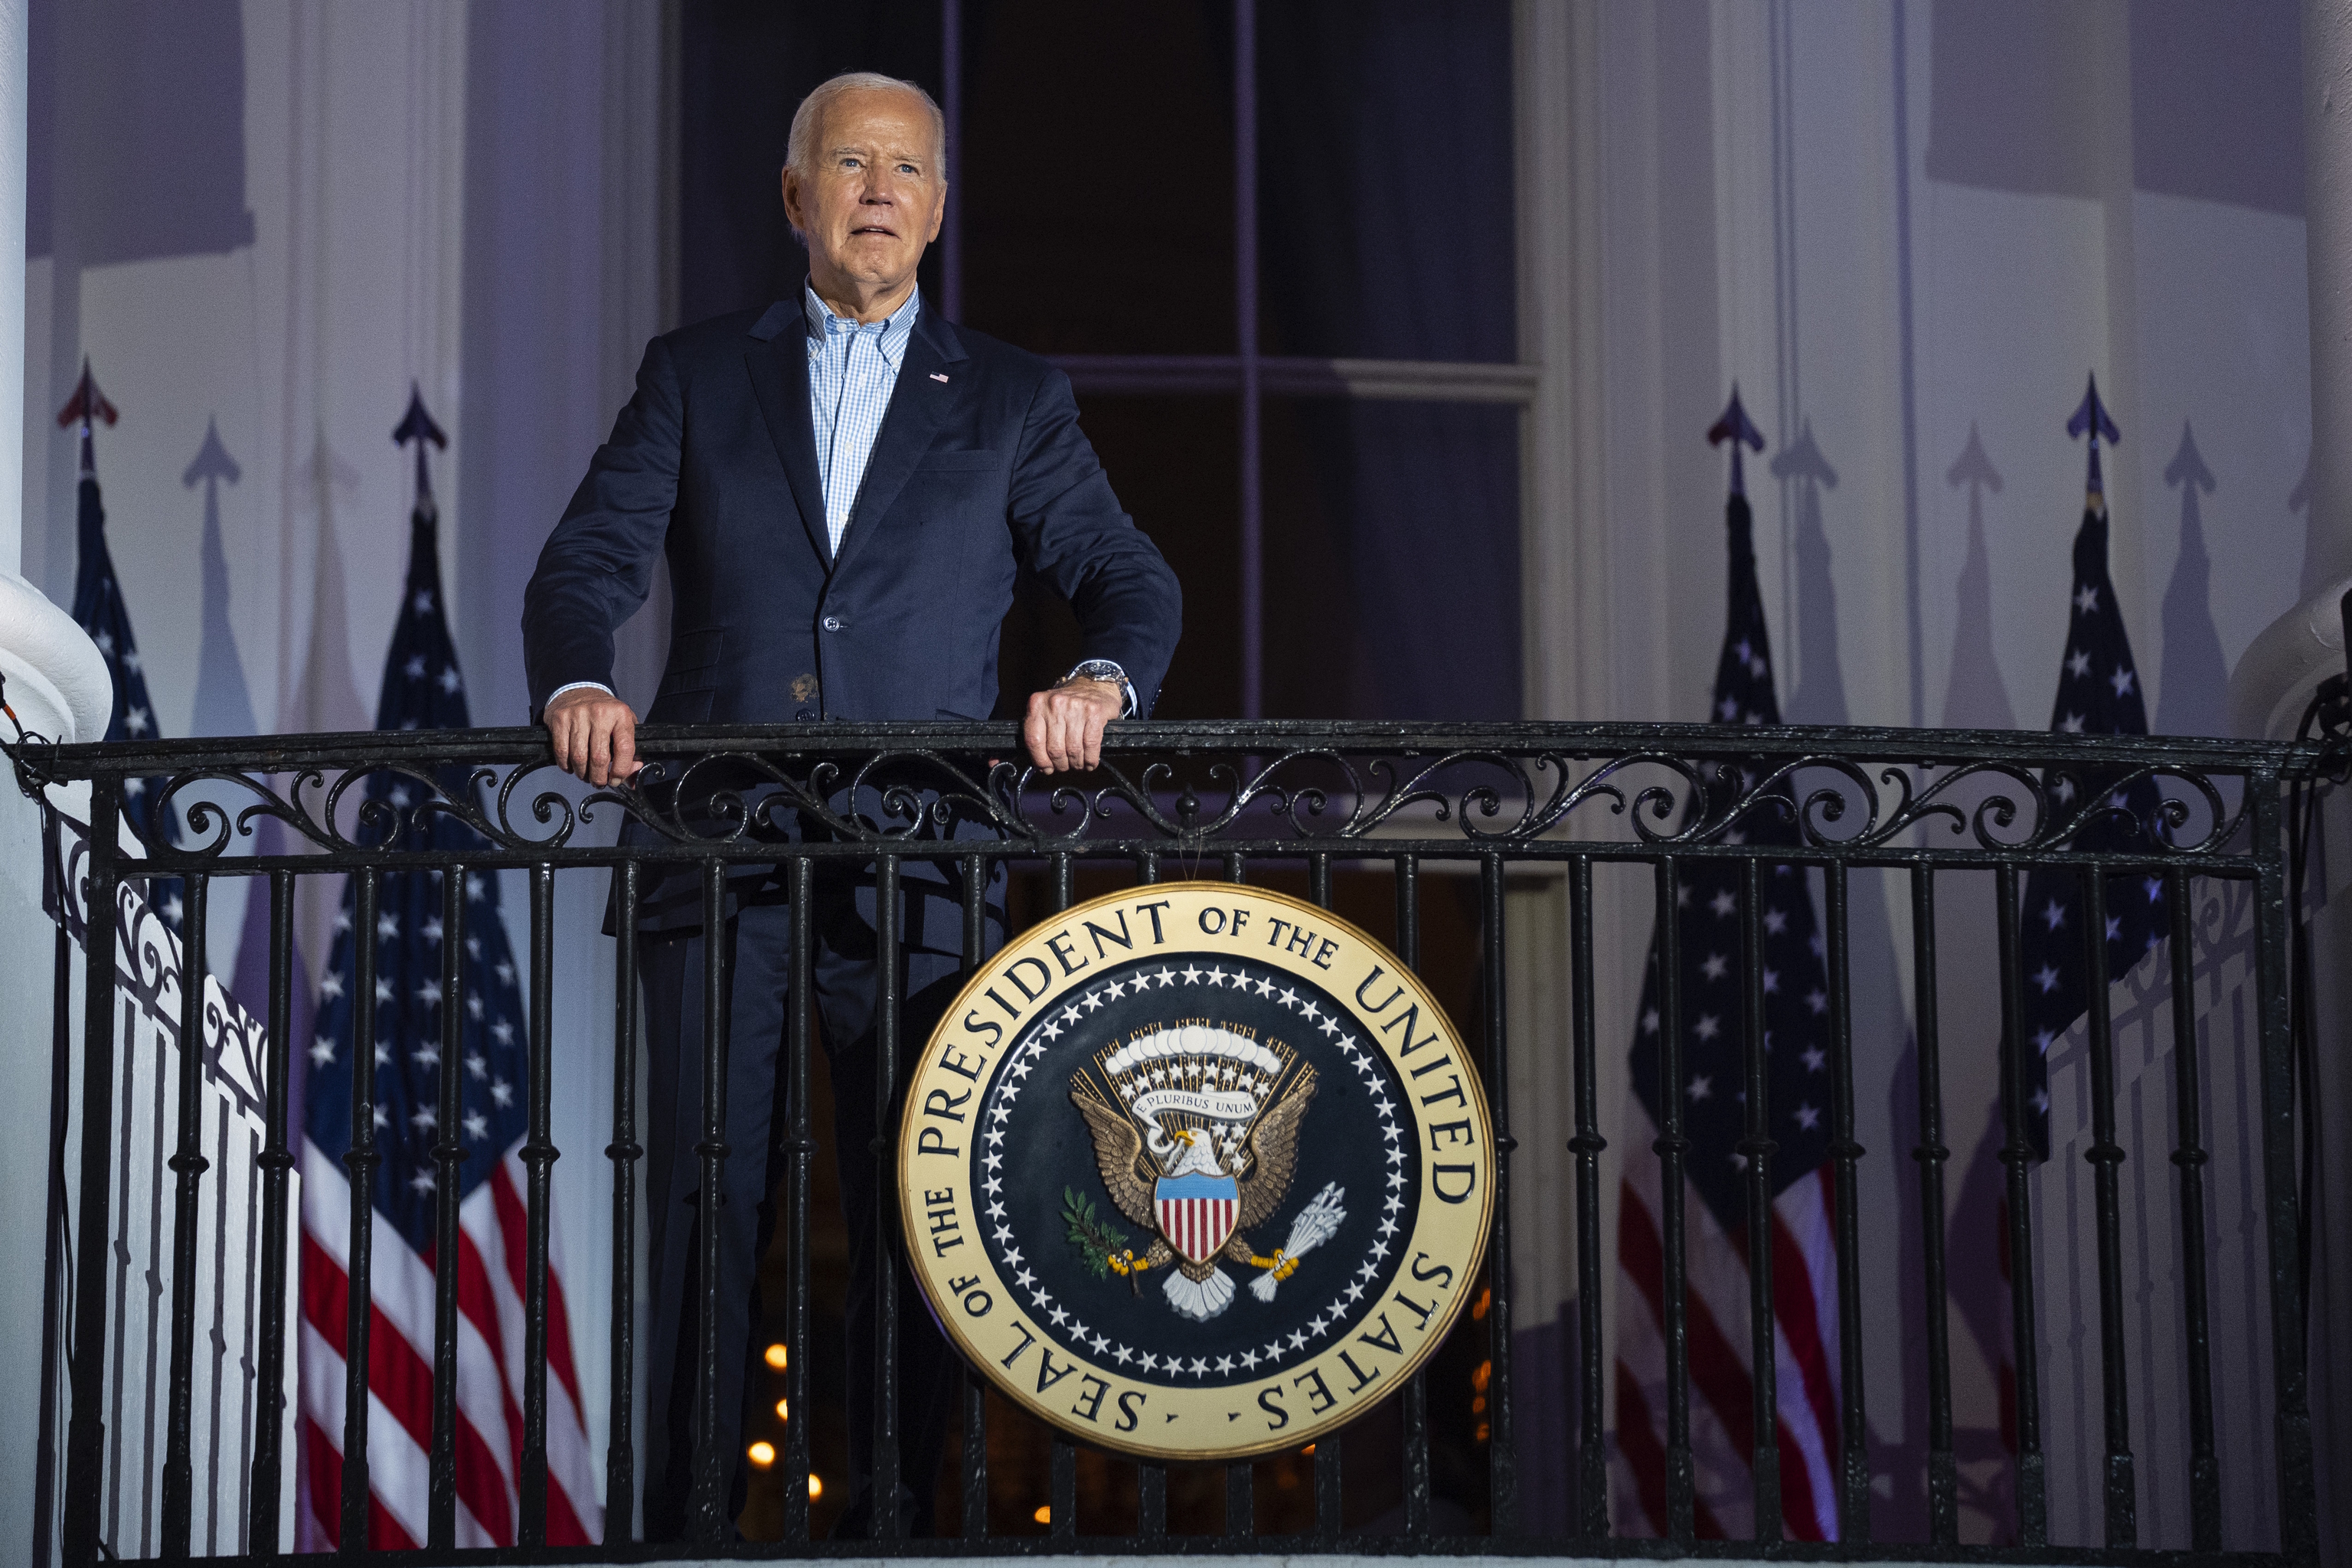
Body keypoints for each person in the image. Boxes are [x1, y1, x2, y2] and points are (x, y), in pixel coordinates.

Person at [520, 70, 1181, 1539]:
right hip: (713, 843)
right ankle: (686, 1523)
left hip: (921, 859)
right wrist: (577, 682)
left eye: (905, 167)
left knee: (924, 1210)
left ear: (938, 207)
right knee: (703, 1198)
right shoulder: (695, 371)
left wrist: (1096, 681)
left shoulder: (1012, 396)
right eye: (848, 162)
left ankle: (893, 1524)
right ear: (796, 195)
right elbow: (586, 565)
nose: (876, 188)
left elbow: (1129, 578)